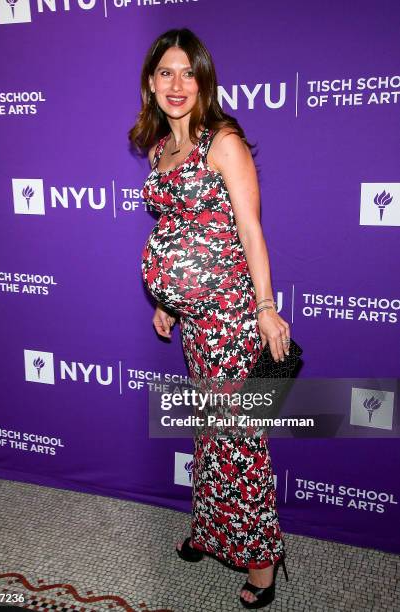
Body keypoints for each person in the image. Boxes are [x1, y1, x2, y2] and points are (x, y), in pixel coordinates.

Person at [129, 28, 290, 609]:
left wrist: (267, 310)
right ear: (151, 82)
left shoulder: (221, 141)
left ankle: (263, 562)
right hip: (195, 322)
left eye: (187, 73)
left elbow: (249, 229)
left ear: (203, 81)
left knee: (239, 439)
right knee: (209, 432)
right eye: (165, 73)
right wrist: (166, 301)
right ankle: (212, 530)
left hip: (233, 319)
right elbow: (174, 232)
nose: (176, 84)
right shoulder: (158, 150)